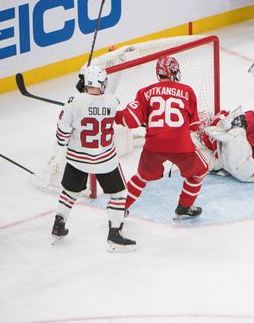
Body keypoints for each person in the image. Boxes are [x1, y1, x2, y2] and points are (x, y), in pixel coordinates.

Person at [51, 65, 135, 252]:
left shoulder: (73, 101)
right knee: (119, 195)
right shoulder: (113, 101)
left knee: (70, 192)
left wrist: (73, 112)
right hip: (104, 159)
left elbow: (62, 137)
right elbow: (99, 106)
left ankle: (58, 224)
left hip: (77, 158)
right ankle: (114, 234)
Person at [115, 56, 209, 219]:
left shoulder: (145, 92)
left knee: (141, 177)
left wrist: (114, 115)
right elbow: (194, 127)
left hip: (153, 146)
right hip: (180, 146)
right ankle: (184, 206)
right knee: (201, 170)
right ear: (173, 72)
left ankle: (120, 209)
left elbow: (131, 120)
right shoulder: (187, 91)